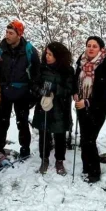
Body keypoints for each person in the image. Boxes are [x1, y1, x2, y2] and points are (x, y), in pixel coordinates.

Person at [0, 19, 41, 159]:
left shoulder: (29, 50)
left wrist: (33, 92)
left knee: (23, 123)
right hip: (4, 91)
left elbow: (36, 71)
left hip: (23, 93)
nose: (7, 35)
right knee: (2, 122)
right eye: (7, 32)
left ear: (19, 35)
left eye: (11, 33)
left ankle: (25, 150)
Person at [73, 36, 106, 183]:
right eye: (88, 45)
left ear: (100, 49)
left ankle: (94, 172)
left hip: (97, 108)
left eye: (94, 46)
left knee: (90, 139)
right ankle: (86, 167)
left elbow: (103, 90)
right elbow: (75, 79)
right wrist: (75, 92)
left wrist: (88, 102)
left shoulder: (105, 64)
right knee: (84, 139)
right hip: (81, 106)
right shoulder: (81, 61)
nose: (90, 48)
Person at [32, 42, 75, 175]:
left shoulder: (67, 70)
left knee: (60, 135)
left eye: (50, 54)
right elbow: (33, 85)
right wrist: (40, 91)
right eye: (46, 53)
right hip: (44, 106)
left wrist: (56, 89)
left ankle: (59, 160)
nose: (47, 56)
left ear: (58, 56)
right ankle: (44, 159)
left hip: (60, 107)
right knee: (43, 134)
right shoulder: (41, 68)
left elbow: (69, 89)